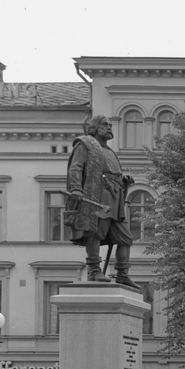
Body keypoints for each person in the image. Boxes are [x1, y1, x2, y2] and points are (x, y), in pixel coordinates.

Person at [65, 114, 139, 288]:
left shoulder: (110, 151)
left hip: (114, 198)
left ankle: (122, 274)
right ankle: (94, 271)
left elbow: (112, 173)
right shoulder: (85, 145)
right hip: (96, 196)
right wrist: (76, 188)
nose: (109, 128)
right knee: (95, 232)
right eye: (105, 125)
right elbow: (75, 167)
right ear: (95, 127)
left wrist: (124, 179)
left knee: (125, 238)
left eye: (111, 125)